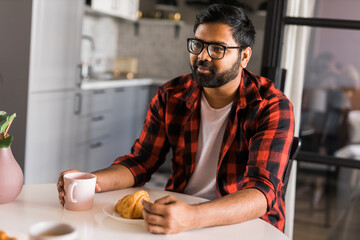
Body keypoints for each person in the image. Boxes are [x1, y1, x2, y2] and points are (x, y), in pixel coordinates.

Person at [57, 4, 294, 234]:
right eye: (198, 44)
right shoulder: (171, 95)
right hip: (180, 214)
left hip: (246, 224)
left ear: (244, 56)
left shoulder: (270, 106)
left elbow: (262, 193)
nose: (202, 56)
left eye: (217, 49)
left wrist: (193, 217)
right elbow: (141, 162)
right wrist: (91, 180)